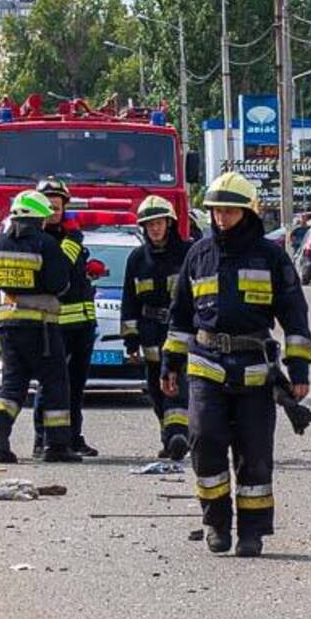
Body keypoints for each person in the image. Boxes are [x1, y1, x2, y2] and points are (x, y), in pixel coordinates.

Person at [161, 172, 311, 557]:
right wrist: (170, 363)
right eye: (215, 211)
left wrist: (299, 372)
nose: (221, 218)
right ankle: (215, 522)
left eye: (229, 210)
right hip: (206, 363)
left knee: (254, 452)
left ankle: (252, 532)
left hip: (255, 368)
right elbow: (180, 317)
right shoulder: (198, 255)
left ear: (247, 212)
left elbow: (295, 317)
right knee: (205, 441)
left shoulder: (271, 257)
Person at [0, 190, 77, 463]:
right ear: (38, 217)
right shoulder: (45, 243)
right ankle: (56, 446)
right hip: (41, 327)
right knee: (54, 382)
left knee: (13, 384)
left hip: (8, 324)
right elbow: (59, 284)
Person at [123, 194, 193, 460]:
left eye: (159, 222)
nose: (155, 228)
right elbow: (129, 300)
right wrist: (130, 340)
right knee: (155, 389)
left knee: (177, 385)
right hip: (150, 332)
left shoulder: (187, 253)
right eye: (149, 224)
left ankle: (179, 435)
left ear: (170, 223)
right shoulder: (137, 259)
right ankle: (170, 438)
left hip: (182, 331)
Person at [35, 178, 102, 458]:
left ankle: (73, 436)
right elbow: (59, 268)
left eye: (58, 206)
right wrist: (74, 239)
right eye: (48, 206)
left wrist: (89, 270)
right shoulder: (39, 240)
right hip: (55, 326)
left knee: (76, 386)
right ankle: (44, 439)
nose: (54, 211)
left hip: (82, 324)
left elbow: (72, 273)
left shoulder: (69, 237)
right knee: (51, 385)